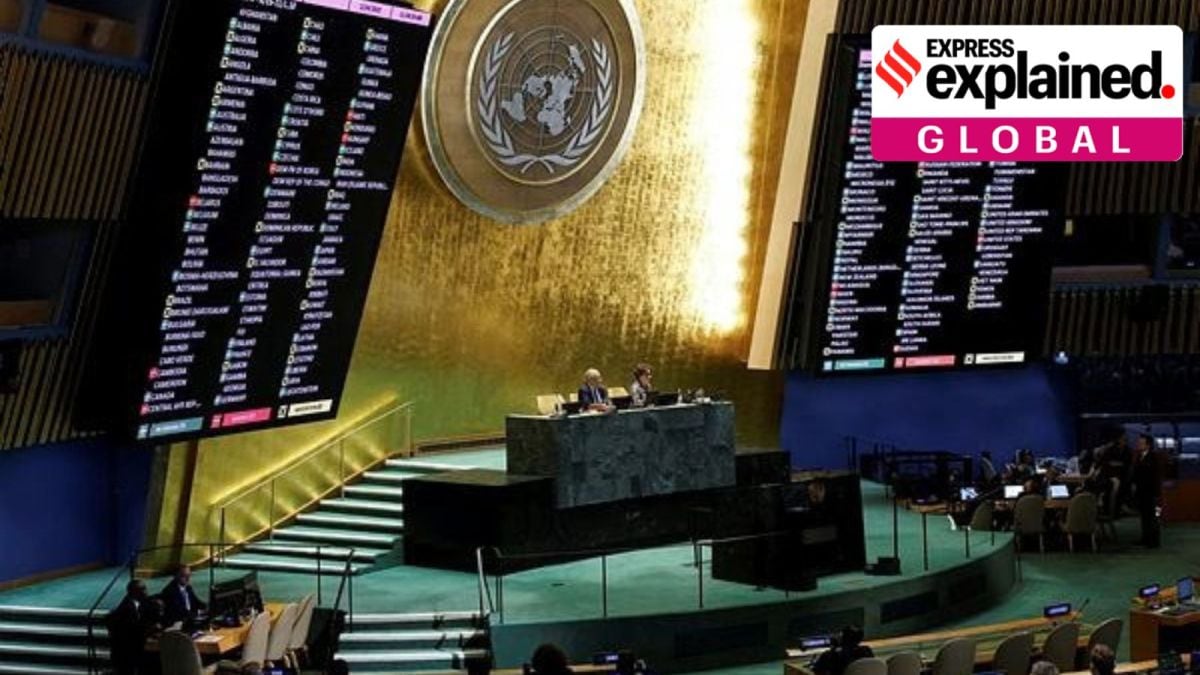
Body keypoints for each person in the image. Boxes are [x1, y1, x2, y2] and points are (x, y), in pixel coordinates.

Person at [106, 579, 160, 675]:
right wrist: (150, 630)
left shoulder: (141, 602)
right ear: (134, 592)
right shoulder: (125, 609)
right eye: (143, 589)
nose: (146, 592)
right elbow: (133, 631)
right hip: (125, 653)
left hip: (135, 646)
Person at [1131, 433, 1163, 548]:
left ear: (1148, 445)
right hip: (1142, 492)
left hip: (1151, 493)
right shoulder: (1140, 456)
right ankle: (1145, 538)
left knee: (1153, 517)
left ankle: (1154, 541)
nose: (1139, 444)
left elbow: (1151, 475)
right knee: (1145, 517)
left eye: (1141, 443)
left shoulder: (1152, 457)